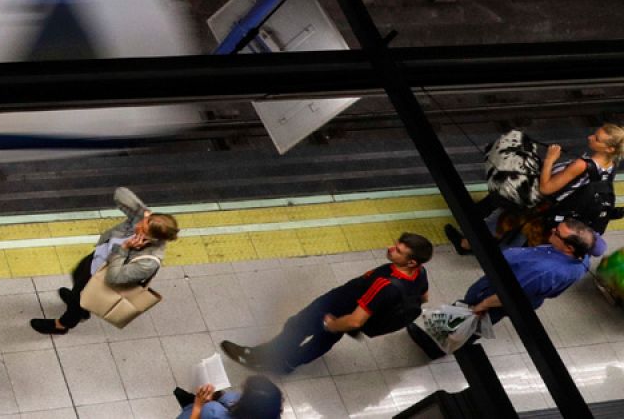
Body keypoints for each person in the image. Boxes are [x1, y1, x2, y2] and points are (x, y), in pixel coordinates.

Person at [221, 233, 432, 375]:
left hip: (340, 309)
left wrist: (332, 324)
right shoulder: (419, 273)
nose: (390, 249)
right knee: (324, 341)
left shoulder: (385, 285)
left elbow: (356, 321)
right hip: (349, 309)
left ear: (411, 261)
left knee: (297, 325)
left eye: (398, 250)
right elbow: (424, 298)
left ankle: (264, 358)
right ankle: (289, 363)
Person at [408, 219, 597, 359]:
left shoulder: (544, 271)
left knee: (468, 317)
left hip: (493, 296)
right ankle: (453, 337)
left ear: (569, 248)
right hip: (511, 291)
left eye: (558, 233)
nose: (553, 230)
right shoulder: (581, 256)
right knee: (470, 320)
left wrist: (480, 305)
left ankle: (434, 346)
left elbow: (508, 295)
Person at [446, 124, 624, 254]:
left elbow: (546, 188)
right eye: (594, 133)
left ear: (609, 148)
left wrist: (550, 160)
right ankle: (506, 258)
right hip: (557, 208)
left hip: (541, 201)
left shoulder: (582, 165)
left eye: (597, 139)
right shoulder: (612, 164)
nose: (590, 137)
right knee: (521, 234)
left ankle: (465, 245)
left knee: (499, 222)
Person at [31, 186, 180, 335]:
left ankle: (63, 324)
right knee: (77, 274)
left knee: (79, 298)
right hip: (96, 258)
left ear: (152, 238)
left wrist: (124, 248)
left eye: (143, 228)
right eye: (144, 221)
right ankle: (80, 305)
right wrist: (143, 211)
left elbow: (113, 278)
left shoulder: (148, 263)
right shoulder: (142, 220)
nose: (138, 224)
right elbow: (120, 193)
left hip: (101, 276)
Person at [173, 376, 284, 419]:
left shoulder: (212, 412)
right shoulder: (270, 413)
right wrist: (217, 394)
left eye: (244, 393)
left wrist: (198, 405)